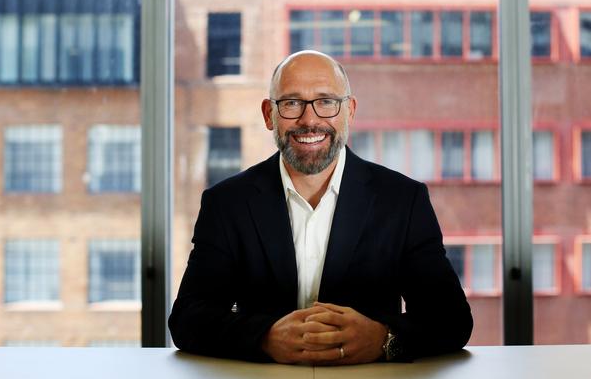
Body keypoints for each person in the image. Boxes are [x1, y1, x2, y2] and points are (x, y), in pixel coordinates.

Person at [169, 50, 473, 364]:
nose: (310, 119)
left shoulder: (403, 201)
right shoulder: (226, 203)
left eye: (326, 101)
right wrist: (264, 337)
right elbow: (188, 319)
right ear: (268, 114)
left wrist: (384, 339)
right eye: (291, 103)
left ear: (350, 111)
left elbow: (451, 320)